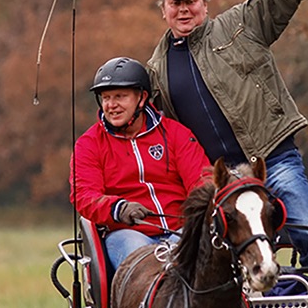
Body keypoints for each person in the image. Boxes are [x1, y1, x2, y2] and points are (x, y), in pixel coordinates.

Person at [147, 0, 308, 294]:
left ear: (205, 3)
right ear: (163, 10)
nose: (184, 10)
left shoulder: (241, 25)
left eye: (191, 2)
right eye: (175, 4)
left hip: (273, 161)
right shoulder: (156, 71)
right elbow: (141, 128)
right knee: (213, 269)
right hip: (216, 182)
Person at [70, 56, 210, 270]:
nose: (111, 105)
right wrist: (118, 208)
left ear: (142, 97)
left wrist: (197, 214)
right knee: (145, 262)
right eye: (106, 98)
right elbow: (84, 195)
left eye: (120, 96)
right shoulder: (88, 144)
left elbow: (202, 180)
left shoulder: (176, 134)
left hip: (181, 229)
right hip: (127, 233)